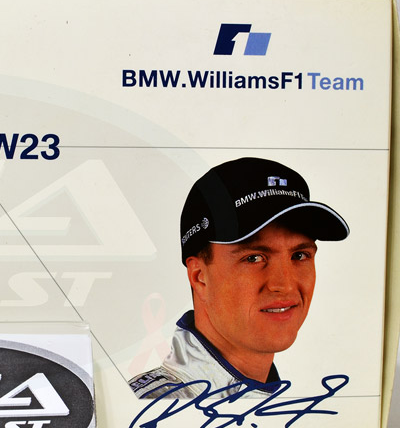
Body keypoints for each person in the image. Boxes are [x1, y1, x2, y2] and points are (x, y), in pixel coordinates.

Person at [128, 157, 349, 399]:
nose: (285, 285)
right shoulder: (148, 405)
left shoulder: (284, 401)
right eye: (254, 258)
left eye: (299, 255)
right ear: (199, 277)